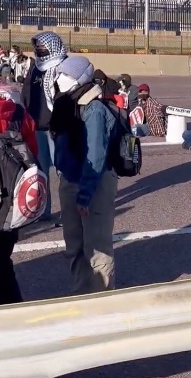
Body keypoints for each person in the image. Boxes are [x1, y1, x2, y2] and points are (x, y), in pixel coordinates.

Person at [50, 55, 119, 294]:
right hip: (70, 178)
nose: (60, 79)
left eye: (65, 75)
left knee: (97, 247)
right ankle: (82, 295)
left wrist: (85, 194)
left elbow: (96, 155)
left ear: (79, 79)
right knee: (74, 247)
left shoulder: (94, 109)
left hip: (94, 181)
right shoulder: (66, 103)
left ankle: (101, 300)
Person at [21, 31, 68, 225]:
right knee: (39, 171)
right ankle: (43, 211)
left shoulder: (63, 67)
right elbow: (26, 93)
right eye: (37, 46)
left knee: (63, 169)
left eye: (43, 46)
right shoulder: (35, 68)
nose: (39, 49)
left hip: (56, 127)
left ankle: (68, 212)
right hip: (36, 127)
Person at [0, 85, 39, 304]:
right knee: (4, 262)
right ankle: (14, 309)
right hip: (11, 203)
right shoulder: (18, 113)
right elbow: (33, 155)